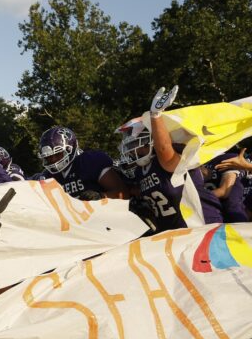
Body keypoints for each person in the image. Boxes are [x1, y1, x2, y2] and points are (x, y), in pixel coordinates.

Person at [119, 86, 222, 232]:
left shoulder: (169, 158)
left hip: (203, 227)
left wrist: (155, 115)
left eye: (135, 143)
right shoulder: (140, 172)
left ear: (152, 139)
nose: (131, 149)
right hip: (174, 235)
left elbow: (164, 149)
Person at [37, 126, 127, 200]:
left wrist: (101, 197)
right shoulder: (47, 176)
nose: (53, 160)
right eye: (48, 157)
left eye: (58, 154)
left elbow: (123, 193)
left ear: (71, 148)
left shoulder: (90, 161)